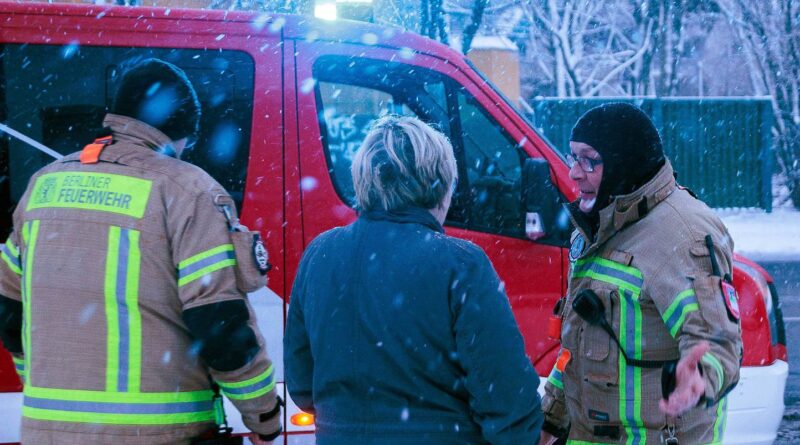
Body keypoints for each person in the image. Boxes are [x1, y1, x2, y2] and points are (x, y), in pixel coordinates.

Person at [0, 58, 280, 444]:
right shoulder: (188, 190)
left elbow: (11, 311)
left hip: (46, 431)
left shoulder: (42, 187)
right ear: (181, 130)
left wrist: (41, 380)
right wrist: (264, 415)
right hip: (156, 433)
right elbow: (219, 322)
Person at [284, 115, 544, 445]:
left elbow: (302, 385)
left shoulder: (320, 254)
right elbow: (506, 396)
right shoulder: (461, 263)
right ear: (437, 185)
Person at [539, 103, 743, 444]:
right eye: (573, 157)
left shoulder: (683, 234)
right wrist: (552, 418)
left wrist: (700, 380)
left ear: (624, 162)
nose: (574, 172)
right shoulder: (597, 226)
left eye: (589, 160)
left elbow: (718, 341)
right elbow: (575, 346)